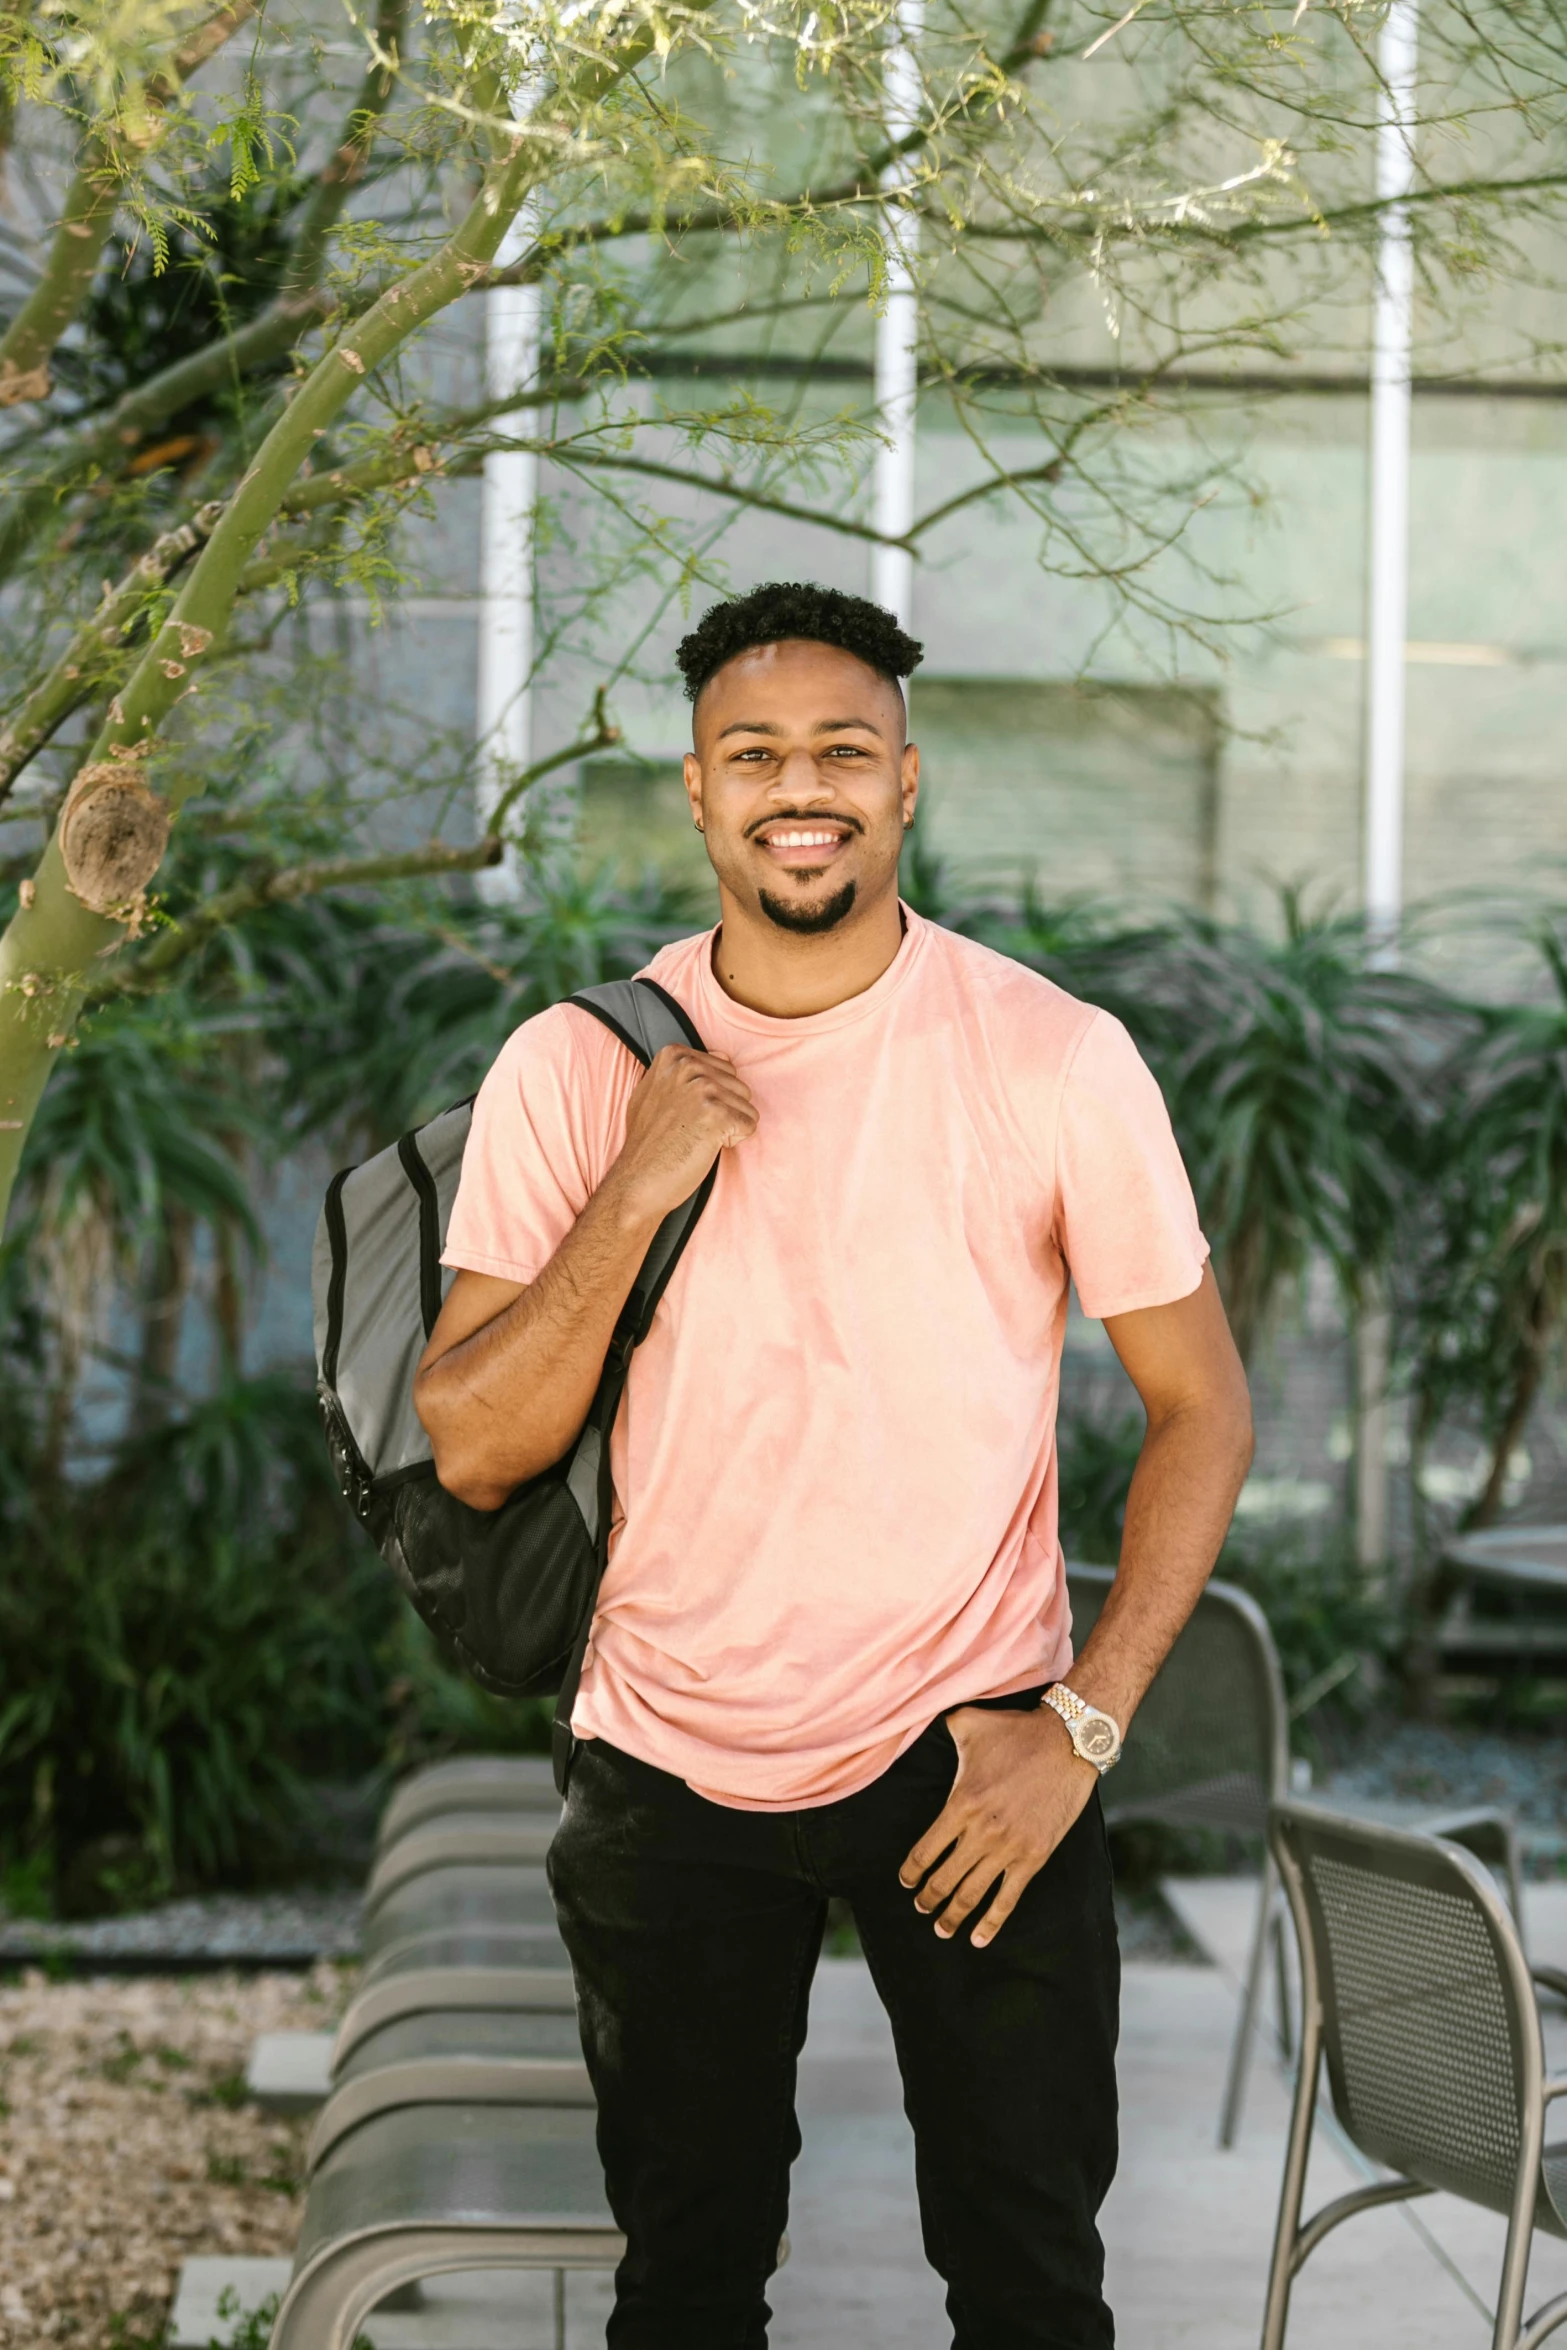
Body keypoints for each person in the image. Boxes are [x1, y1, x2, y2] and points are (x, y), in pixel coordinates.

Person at [413, 580, 1254, 2350]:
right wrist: (641, 1178)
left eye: (841, 752)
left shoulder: (1050, 1058)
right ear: (700, 794)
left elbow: (1203, 1402)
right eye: (755, 755)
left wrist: (1080, 1727)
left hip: (975, 1758)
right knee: (688, 2287)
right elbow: (476, 1442)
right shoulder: (574, 1071)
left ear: (907, 781)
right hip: (666, 1764)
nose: (802, 787)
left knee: (1032, 2288)